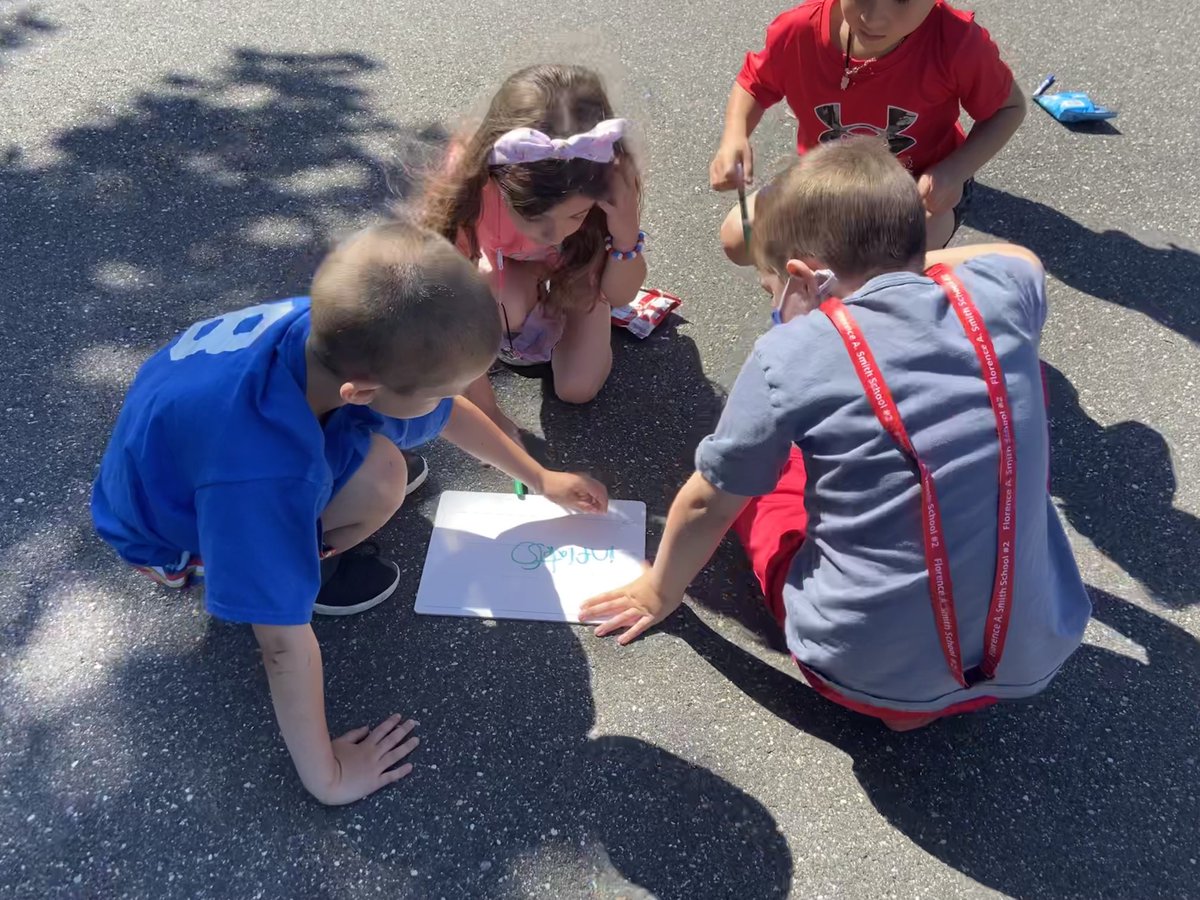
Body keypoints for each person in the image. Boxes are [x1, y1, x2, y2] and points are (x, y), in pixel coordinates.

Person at [583, 138, 1090, 730]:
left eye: (770, 288)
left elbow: (706, 502)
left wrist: (657, 592)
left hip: (863, 675)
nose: (772, 301)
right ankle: (929, 686)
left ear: (801, 277)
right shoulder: (1001, 293)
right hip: (1036, 647)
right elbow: (1022, 256)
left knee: (757, 484)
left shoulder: (791, 354)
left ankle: (900, 700)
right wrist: (904, 266)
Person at [92, 222, 608, 803]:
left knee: (384, 464)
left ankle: (344, 482)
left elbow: (450, 410)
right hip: (172, 534)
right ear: (359, 394)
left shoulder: (337, 331)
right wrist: (330, 778)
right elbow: (282, 645)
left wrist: (538, 477)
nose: (447, 402)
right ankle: (318, 568)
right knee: (383, 479)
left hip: (198, 452)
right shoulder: (261, 472)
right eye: (437, 393)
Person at [421, 63, 646, 441]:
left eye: (574, 214)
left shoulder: (610, 178)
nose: (553, 234)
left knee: (578, 388)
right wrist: (488, 413)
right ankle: (527, 307)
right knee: (492, 294)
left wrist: (625, 231)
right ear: (501, 182)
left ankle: (558, 310)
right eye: (536, 218)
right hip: (509, 271)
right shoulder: (470, 181)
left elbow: (621, 294)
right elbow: (449, 309)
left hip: (579, 274)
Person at [711, 0, 1027, 262]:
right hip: (827, 178)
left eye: (902, 0)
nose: (873, 17)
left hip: (915, 188)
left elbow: (1008, 108)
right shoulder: (798, 31)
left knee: (878, 270)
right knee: (739, 238)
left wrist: (954, 171)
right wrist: (734, 136)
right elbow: (756, 82)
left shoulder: (958, 44)